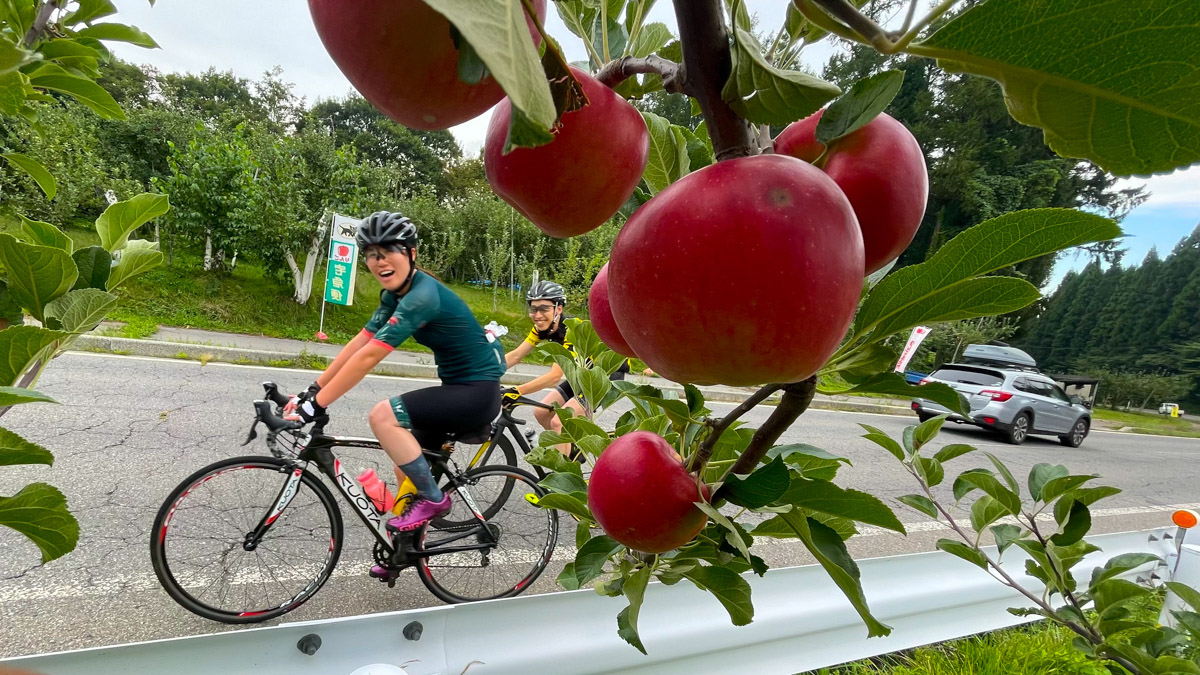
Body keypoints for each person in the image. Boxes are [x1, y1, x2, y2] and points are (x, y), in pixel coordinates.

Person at [285, 211, 505, 572]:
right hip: (459, 388)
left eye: (388, 250)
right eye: (371, 254)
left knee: (383, 416)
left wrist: (316, 406)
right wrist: (311, 390)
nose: (379, 261)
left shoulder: (423, 296)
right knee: (404, 460)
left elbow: (370, 357)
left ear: (412, 253)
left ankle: (435, 500)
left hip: (476, 393)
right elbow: (361, 342)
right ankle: (402, 551)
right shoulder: (396, 295)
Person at [503, 280, 629, 455]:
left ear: (558, 309)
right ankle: (572, 452)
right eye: (533, 309)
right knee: (541, 412)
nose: (537, 315)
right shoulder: (541, 329)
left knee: (559, 422)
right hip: (582, 374)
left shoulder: (571, 328)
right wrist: (484, 372)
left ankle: (567, 472)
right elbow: (516, 355)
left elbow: (555, 376)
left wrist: (518, 390)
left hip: (605, 376)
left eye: (544, 309)